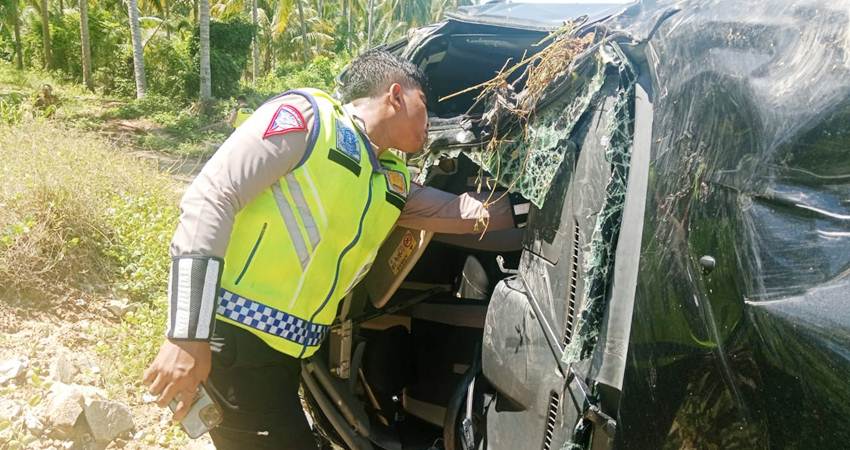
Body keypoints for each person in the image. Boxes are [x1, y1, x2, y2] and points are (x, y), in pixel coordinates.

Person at [142, 50, 526, 449]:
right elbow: (212, 198)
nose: (430, 125)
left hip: (283, 357)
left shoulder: (389, 176)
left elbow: (456, 211)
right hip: (234, 343)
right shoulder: (308, 120)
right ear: (396, 95)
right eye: (425, 106)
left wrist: (527, 206)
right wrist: (187, 335)